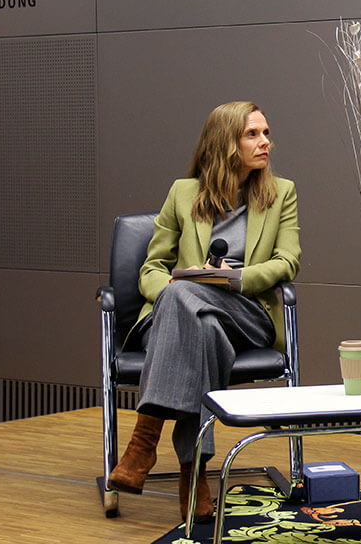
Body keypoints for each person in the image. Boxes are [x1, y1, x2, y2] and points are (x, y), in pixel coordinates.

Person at [106, 101, 301, 522]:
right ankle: (194, 472)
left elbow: (288, 262)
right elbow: (152, 269)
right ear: (226, 143)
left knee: (185, 298)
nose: (265, 142)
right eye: (252, 134)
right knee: (195, 318)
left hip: (247, 313)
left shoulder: (280, 193)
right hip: (192, 322)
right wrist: (179, 289)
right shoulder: (183, 193)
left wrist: (236, 278)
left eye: (266, 133)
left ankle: (144, 442)